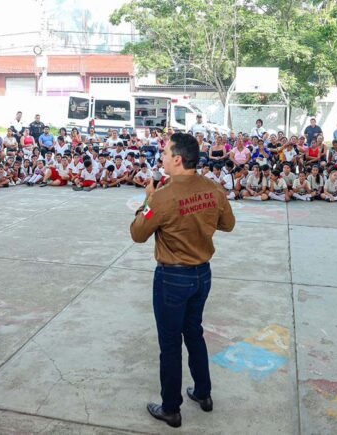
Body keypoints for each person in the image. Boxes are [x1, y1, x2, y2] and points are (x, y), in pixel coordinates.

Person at [130, 132, 235, 429]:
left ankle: (171, 408)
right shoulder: (213, 189)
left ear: (177, 159)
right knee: (194, 332)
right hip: (202, 274)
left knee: (170, 343)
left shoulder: (163, 196)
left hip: (173, 278)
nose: (162, 157)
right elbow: (228, 224)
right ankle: (203, 393)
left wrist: (148, 199)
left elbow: (137, 233)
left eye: (165, 153)